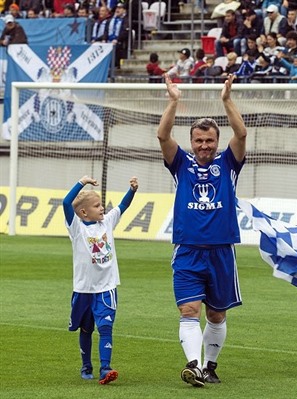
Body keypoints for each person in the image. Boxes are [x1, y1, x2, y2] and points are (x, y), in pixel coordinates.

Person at [157, 73, 247, 387]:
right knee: (188, 309)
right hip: (188, 249)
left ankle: (209, 365)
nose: (204, 145)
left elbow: (242, 133)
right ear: (192, 142)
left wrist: (226, 100)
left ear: (216, 142)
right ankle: (193, 367)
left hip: (222, 250)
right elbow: (163, 136)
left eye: (209, 141)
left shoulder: (229, 164)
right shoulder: (181, 163)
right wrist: (174, 101)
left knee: (217, 316)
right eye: (199, 140)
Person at [63, 175, 139, 384]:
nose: (102, 208)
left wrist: (132, 190)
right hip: (84, 289)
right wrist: (81, 182)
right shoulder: (76, 228)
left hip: (106, 287)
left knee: (106, 327)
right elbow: (65, 203)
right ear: (83, 212)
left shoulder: (107, 222)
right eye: (97, 205)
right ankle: (86, 365)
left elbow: (122, 206)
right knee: (85, 329)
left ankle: (105, 368)